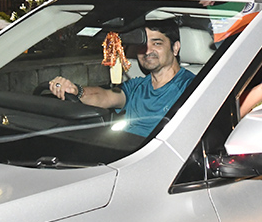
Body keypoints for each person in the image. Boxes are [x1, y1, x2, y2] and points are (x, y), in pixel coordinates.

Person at [48, 20, 194, 137]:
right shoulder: (137, 86)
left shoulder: (191, 87)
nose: (148, 50)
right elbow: (105, 96)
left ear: (175, 48)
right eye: (142, 44)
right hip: (124, 151)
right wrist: (75, 90)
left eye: (157, 43)